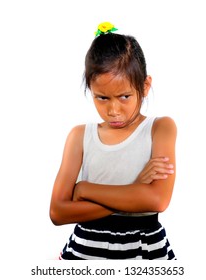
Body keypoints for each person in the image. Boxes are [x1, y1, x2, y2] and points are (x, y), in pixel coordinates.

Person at [50, 22, 177, 260]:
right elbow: (58, 212)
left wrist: (84, 190)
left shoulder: (160, 128)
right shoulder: (80, 136)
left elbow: (157, 199)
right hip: (86, 250)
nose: (113, 110)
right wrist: (136, 189)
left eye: (125, 96)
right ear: (90, 89)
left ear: (145, 86)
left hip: (144, 249)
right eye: (102, 98)